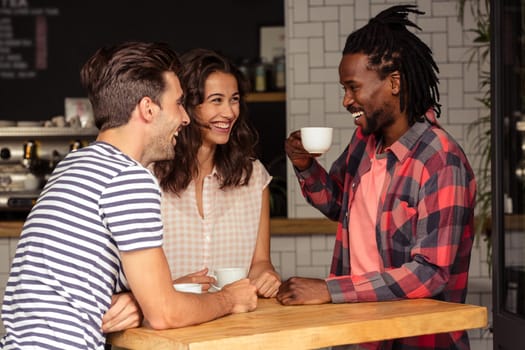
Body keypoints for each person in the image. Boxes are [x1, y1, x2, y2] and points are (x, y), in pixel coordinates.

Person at [1, 41, 257, 350]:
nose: (185, 118)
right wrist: (229, 298)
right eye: (178, 103)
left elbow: (88, 286)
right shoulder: (129, 178)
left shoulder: (75, 163)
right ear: (148, 109)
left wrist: (144, 299)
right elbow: (165, 314)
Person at [277, 5, 476, 350]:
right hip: (361, 335)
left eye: (353, 87)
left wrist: (329, 289)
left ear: (394, 82)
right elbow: (338, 203)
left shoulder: (440, 161)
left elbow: (430, 273)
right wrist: (304, 164)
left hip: (417, 342)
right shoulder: (366, 143)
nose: (346, 100)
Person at [153, 48, 281, 298]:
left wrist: (267, 276)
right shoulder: (149, 177)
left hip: (236, 322)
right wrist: (170, 289)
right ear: (187, 105)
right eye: (216, 100)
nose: (230, 112)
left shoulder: (254, 177)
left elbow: (260, 263)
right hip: (170, 323)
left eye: (234, 99)